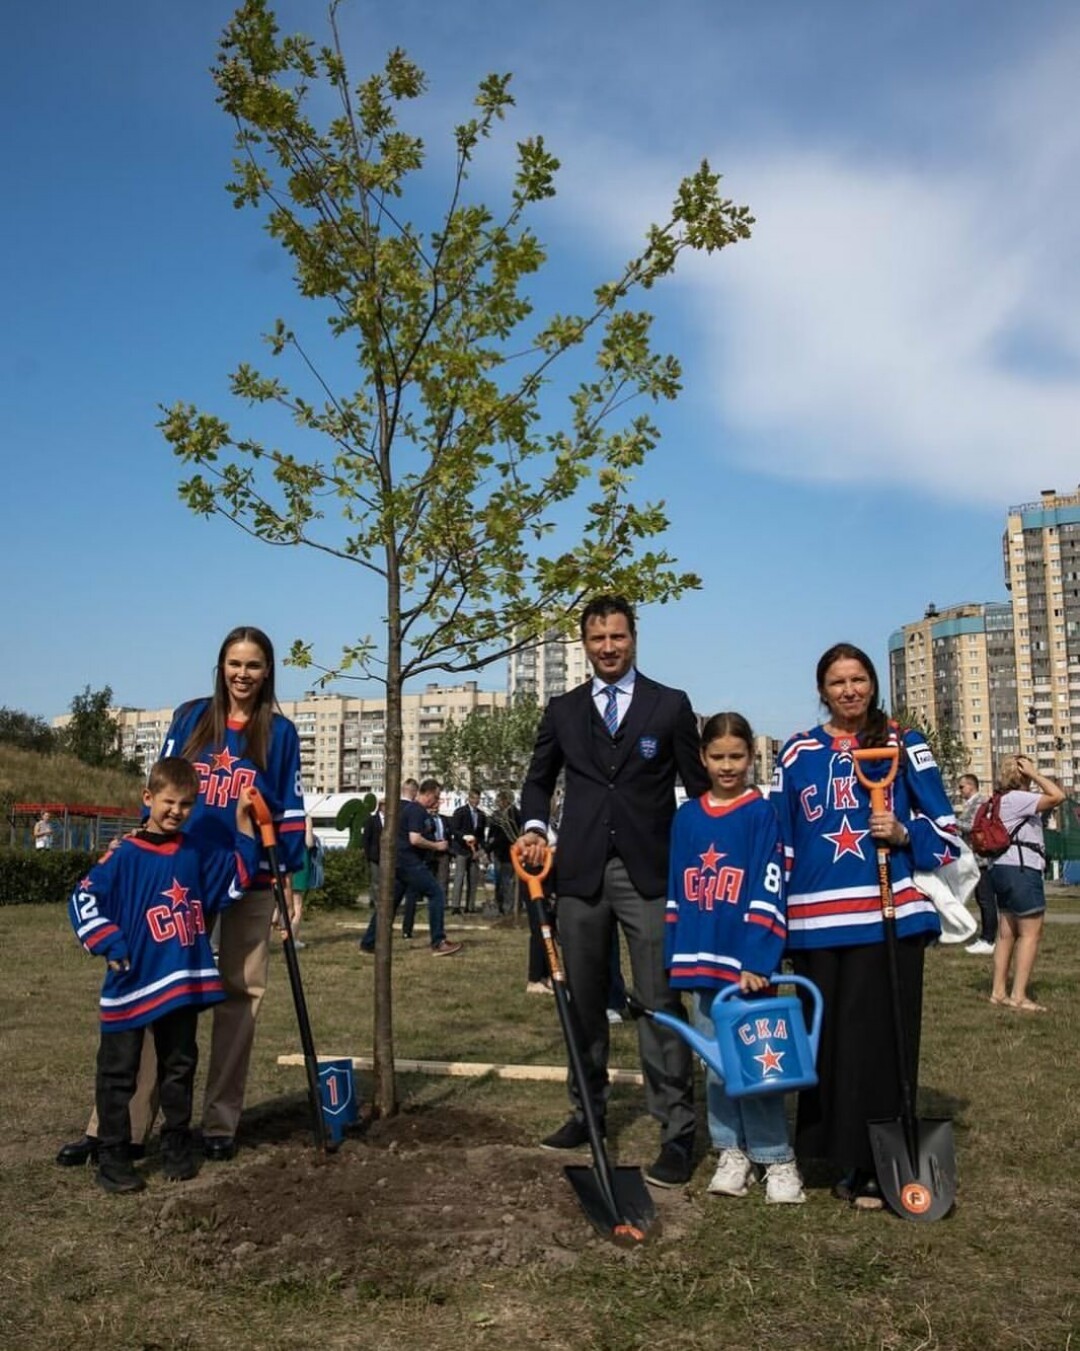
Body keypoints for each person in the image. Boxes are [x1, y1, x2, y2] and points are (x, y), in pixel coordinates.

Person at [56, 625, 305, 1168]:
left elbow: (289, 807)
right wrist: (141, 840)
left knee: (241, 995)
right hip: (183, 873)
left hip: (249, 874)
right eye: (234, 664)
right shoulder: (191, 717)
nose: (243, 675)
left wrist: (292, 877)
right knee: (154, 991)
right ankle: (118, 1128)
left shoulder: (280, 733)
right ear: (221, 667)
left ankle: (218, 1122)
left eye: (254, 665)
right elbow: (163, 784)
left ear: (268, 673)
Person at [519, 594, 709, 1188]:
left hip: (649, 876)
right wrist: (533, 828)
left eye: (618, 637)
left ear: (634, 638)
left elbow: (699, 790)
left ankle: (677, 1131)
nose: (608, 647)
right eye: (598, 638)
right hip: (578, 876)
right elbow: (538, 781)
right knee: (580, 1003)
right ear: (585, 643)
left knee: (657, 1003)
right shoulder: (563, 709)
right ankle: (587, 1113)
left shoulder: (669, 706)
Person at [772, 642, 956, 1210]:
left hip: (888, 919)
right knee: (826, 1045)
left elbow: (947, 835)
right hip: (814, 922)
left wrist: (905, 835)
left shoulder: (906, 742)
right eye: (836, 682)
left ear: (873, 684)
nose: (849, 690)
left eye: (858, 680)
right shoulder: (797, 752)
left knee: (879, 1044)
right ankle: (839, 1156)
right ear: (822, 690)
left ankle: (882, 1162)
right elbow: (781, 840)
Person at [67, 758, 259, 1192]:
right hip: (131, 980)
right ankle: (112, 1156)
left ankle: (176, 1144)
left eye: (186, 804)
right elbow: (82, 899)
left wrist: (245, 823)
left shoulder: (194, 851)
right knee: (118, 1073)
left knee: (179, 1066)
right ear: (148, 798)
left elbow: (234, 880)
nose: (176, 811)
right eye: (169, 802)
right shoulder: (125, 854)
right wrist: (109, 941)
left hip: (181, 981)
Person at [666, 712, 804, 1204]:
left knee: (759, 1059)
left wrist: (758, 958)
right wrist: (675, 956)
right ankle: (730, 1151)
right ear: (702, 758)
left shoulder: (760, 812)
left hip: (747, 964)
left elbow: (771, 885)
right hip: (702, 959)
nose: (728, 766)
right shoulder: (686, 816)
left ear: (751, 756)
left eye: (737, 756)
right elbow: (676, 890)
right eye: (718, 757)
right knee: (717, 1063)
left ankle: (776, 1156)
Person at [988, 755, 1064, 1013]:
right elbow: (1057, 796)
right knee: (1031, 932)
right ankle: (1019, 995)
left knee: (1006, 933)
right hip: (1021, 869)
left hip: (1001, 868)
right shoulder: (1019, 799)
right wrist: (1034, 774)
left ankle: (999, 991)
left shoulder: (998, 801)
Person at [360, 778, 463, 956]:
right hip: (409, 862)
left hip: (399, 863)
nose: (437, 801)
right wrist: (437, 846)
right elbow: (414, 839)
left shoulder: (411, 810)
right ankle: (438, 942)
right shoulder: (416, 810)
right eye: (436, 797)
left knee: (388, 905)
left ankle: (368, 943)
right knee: (436, 893)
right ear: (429, 794)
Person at [955, 773, 996, 955]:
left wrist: (950, 821)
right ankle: (986, 936)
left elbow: (971, 825)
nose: (960, 791)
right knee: (982, 899)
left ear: (971, 786)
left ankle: (989, 939)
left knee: (986, 899)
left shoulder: (979, 802)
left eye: (962, 787)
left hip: (981, 857)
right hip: (975, 857)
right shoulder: (973, 803)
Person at [285, 817, 320, 949]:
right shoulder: (306, 818)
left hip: (286, 860)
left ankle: (285, 935)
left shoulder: (285, 816)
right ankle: (292, 939)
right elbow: (309, 842)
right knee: (297, 906)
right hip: (300, 862)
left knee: (286, 905)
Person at [450, 790, 487, 914]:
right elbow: (454, 830)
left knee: (473, 878)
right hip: (461, 849)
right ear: (469, 799)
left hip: (474, 851)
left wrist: (480, 849)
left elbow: (481, 835)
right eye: (474, 798)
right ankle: (455, 906)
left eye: (478, 798)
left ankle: (470, 906)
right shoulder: (460, 812)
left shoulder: (481, 815)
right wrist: (464, 837)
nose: (476, 801)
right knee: (459, 877)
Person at [362, 798, 385, 905]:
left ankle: (382, 901)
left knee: (385, 880)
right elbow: (366, 837)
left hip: (387, 856)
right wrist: (367, 853)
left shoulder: (392, 820)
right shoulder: (372, 820)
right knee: (376, 880)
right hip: (375, 855)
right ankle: (376, 903)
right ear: (380, 806)